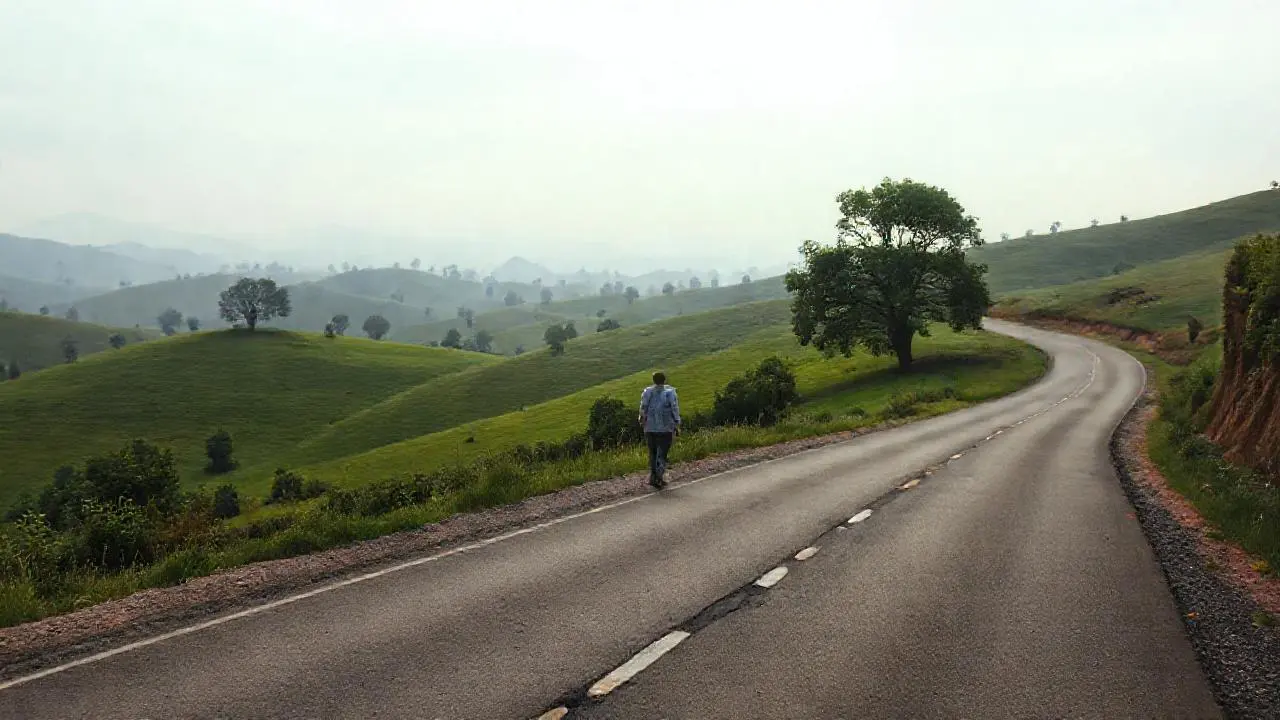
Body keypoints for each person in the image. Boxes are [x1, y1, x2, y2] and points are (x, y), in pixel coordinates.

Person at [639, 371, 681, 488]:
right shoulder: (670, 392)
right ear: (664, 380)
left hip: (650, 427)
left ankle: (653, 476)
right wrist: (677, 423)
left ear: (654, 380)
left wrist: (642, 421)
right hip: (665, 427)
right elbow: (674, 408)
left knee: (652, 453)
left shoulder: (647, 392)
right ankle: (659, 476)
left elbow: (643, 408)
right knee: (662, 453)